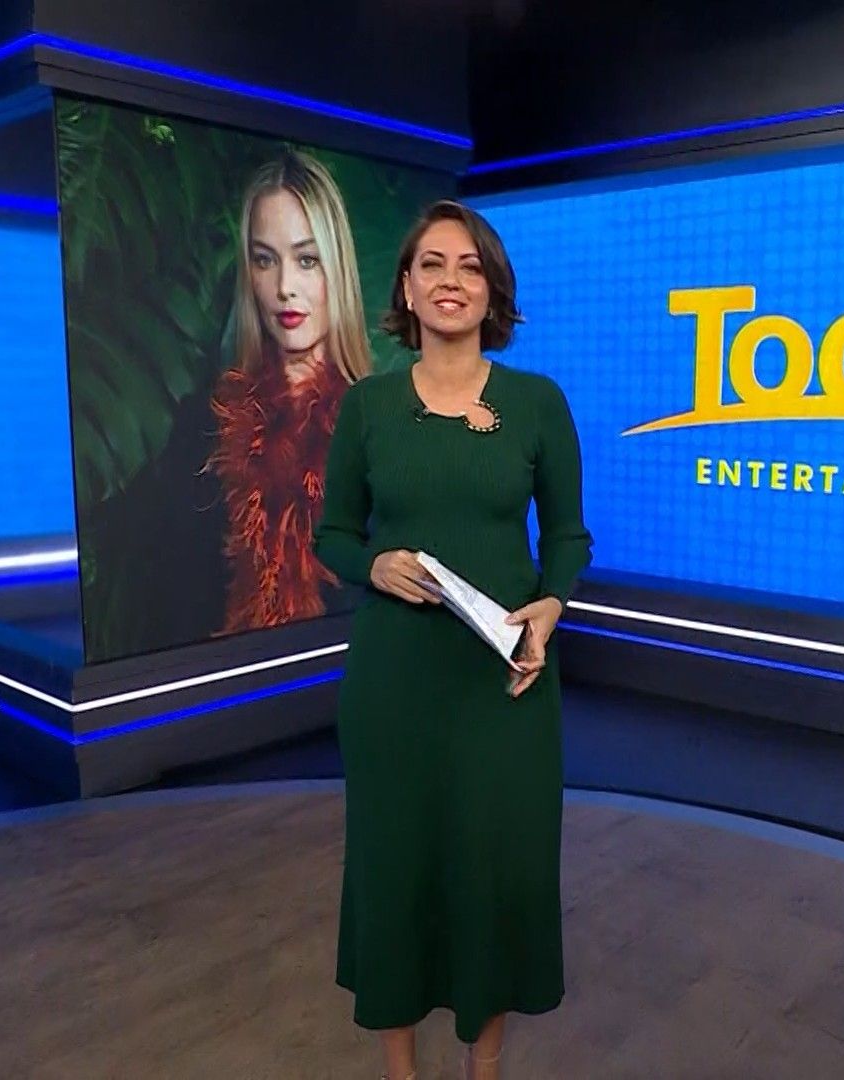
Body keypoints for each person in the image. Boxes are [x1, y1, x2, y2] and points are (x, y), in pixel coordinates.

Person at [312, 199, 593, 1080]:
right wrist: (374, 564)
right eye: (432, 264)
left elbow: (569, 538)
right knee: (397, 867)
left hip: (503, 682)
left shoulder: (537, 404)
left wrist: (550, 607)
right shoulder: (367, 407)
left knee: (495, 869)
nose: (450, 281)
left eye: (470, 267)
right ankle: (401, 1070)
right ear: (406, 286)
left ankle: (486, 1064)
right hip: (395, 685)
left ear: (492, 290)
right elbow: (333, 535)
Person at [203, 149, 374, 636]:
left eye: (306, 260)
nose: (284, 287)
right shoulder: (211, 426)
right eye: (265, 260)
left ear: (336, 269)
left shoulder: (382, 426)